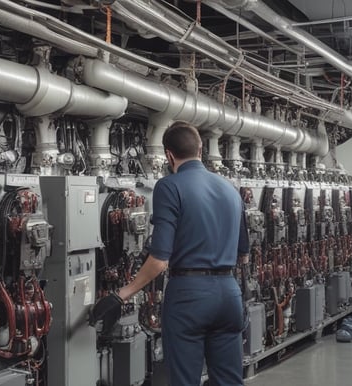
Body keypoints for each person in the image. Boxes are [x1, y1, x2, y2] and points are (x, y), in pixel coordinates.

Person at [90, 121, 249, 385]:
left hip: (189, 297)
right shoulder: (231, 190)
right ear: (201, 150)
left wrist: (121, 295)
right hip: (229, 294)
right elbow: (243, 254)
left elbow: (159, 260)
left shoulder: (169, 187)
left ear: (169, 155)